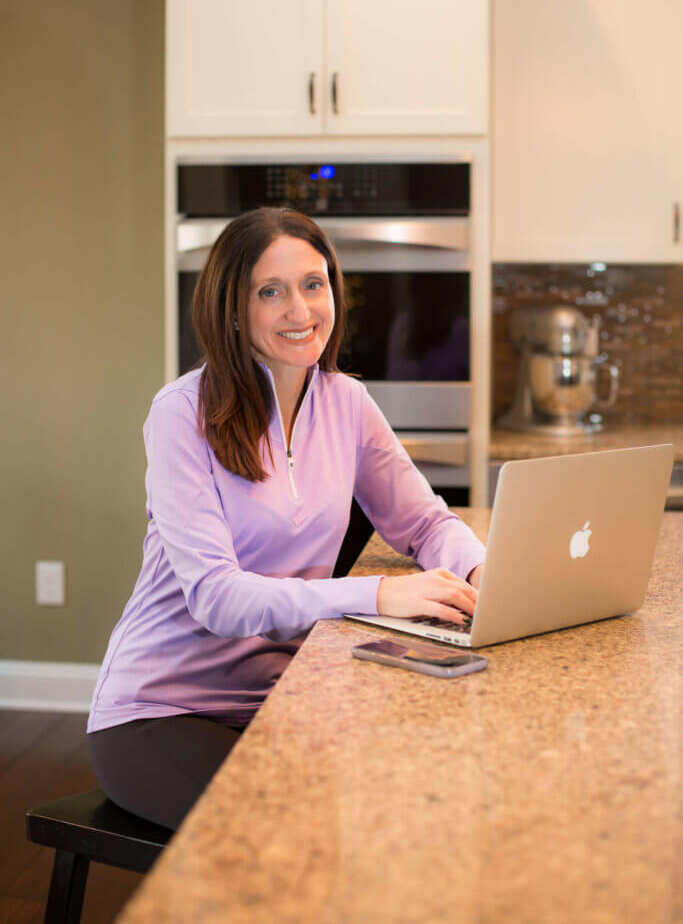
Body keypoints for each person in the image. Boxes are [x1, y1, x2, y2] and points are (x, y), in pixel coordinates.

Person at [87, 207, 486, 830]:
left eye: (312, 284)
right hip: (162, 708)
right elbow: (216, 598)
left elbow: (427, 524)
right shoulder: (180, 414)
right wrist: (381, 593)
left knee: (407, 797)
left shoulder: (346, 402)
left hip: (284, 694)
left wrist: (483, 570)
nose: (300, 311)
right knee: (287, 832)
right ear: (233, 308)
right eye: (270, 292)